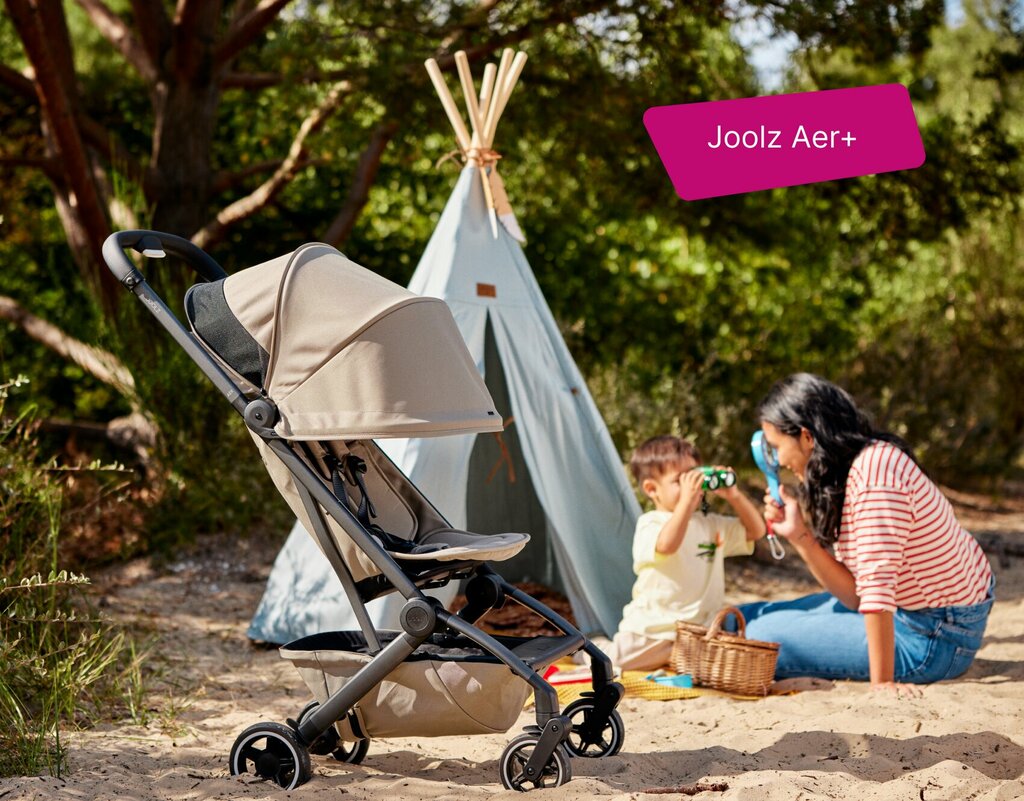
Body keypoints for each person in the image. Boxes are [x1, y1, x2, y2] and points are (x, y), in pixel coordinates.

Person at [737, 373, 994, 695]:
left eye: (777, 448)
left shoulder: (874, 477)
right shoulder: (856, 466)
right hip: (920, 616)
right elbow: (857, 595)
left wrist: (882, 683)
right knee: (749, 616)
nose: (778, 461)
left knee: (758, 636)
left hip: (933, 639)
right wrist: (799, 535)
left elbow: (876, 590)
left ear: (806, 437)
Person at [599, 435, 766, 671]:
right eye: (681, 480)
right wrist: (686, 502)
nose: (693, 486)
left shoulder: (711, 524)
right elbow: (668, 544)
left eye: (695, 476)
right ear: (652, 489)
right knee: (611, 663)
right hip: (654, 630)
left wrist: (734, 496)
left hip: (699, 632)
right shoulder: (650, 523)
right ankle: (591, 647)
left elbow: (756, 531)